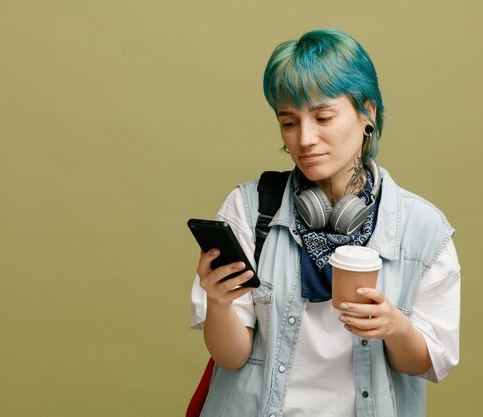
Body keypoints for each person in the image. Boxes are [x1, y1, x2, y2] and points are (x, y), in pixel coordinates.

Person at [190, 29, 461, 417]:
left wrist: (394, 327)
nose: (305, 139)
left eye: (323, 117)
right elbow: (231, 357)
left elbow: (424, 362)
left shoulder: (423, 231)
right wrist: (218, 302)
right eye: (289, 122)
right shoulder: (250, 210)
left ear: (367, 113)